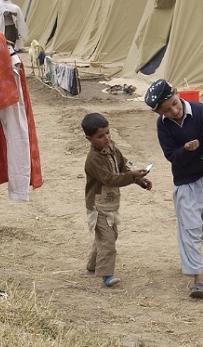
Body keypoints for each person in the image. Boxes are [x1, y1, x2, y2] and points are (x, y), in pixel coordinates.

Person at [145, 79, 203, 300]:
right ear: (158, 113)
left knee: (201, 227)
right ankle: (197, 278)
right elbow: (172, 156)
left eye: (174, 103)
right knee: (190, 227)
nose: (174, 110)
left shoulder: (200, 111)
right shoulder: (163, 125)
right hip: (185, 182)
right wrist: (185, 149)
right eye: (166, 110)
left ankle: (191, 259)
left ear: (176, 93)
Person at [81, 112, 152, 288]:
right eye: (100, 136)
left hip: (110, 202)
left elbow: (124, 165)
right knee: (107, 240)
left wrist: (139, 179)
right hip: (98, 205)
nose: (106, 138)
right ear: (89, 139)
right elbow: (109, 179)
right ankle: (107, 274)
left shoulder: (112, 148)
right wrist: (131, 176)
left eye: (107, 133)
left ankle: (92, 265)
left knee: (109, 236)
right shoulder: (93, 159)